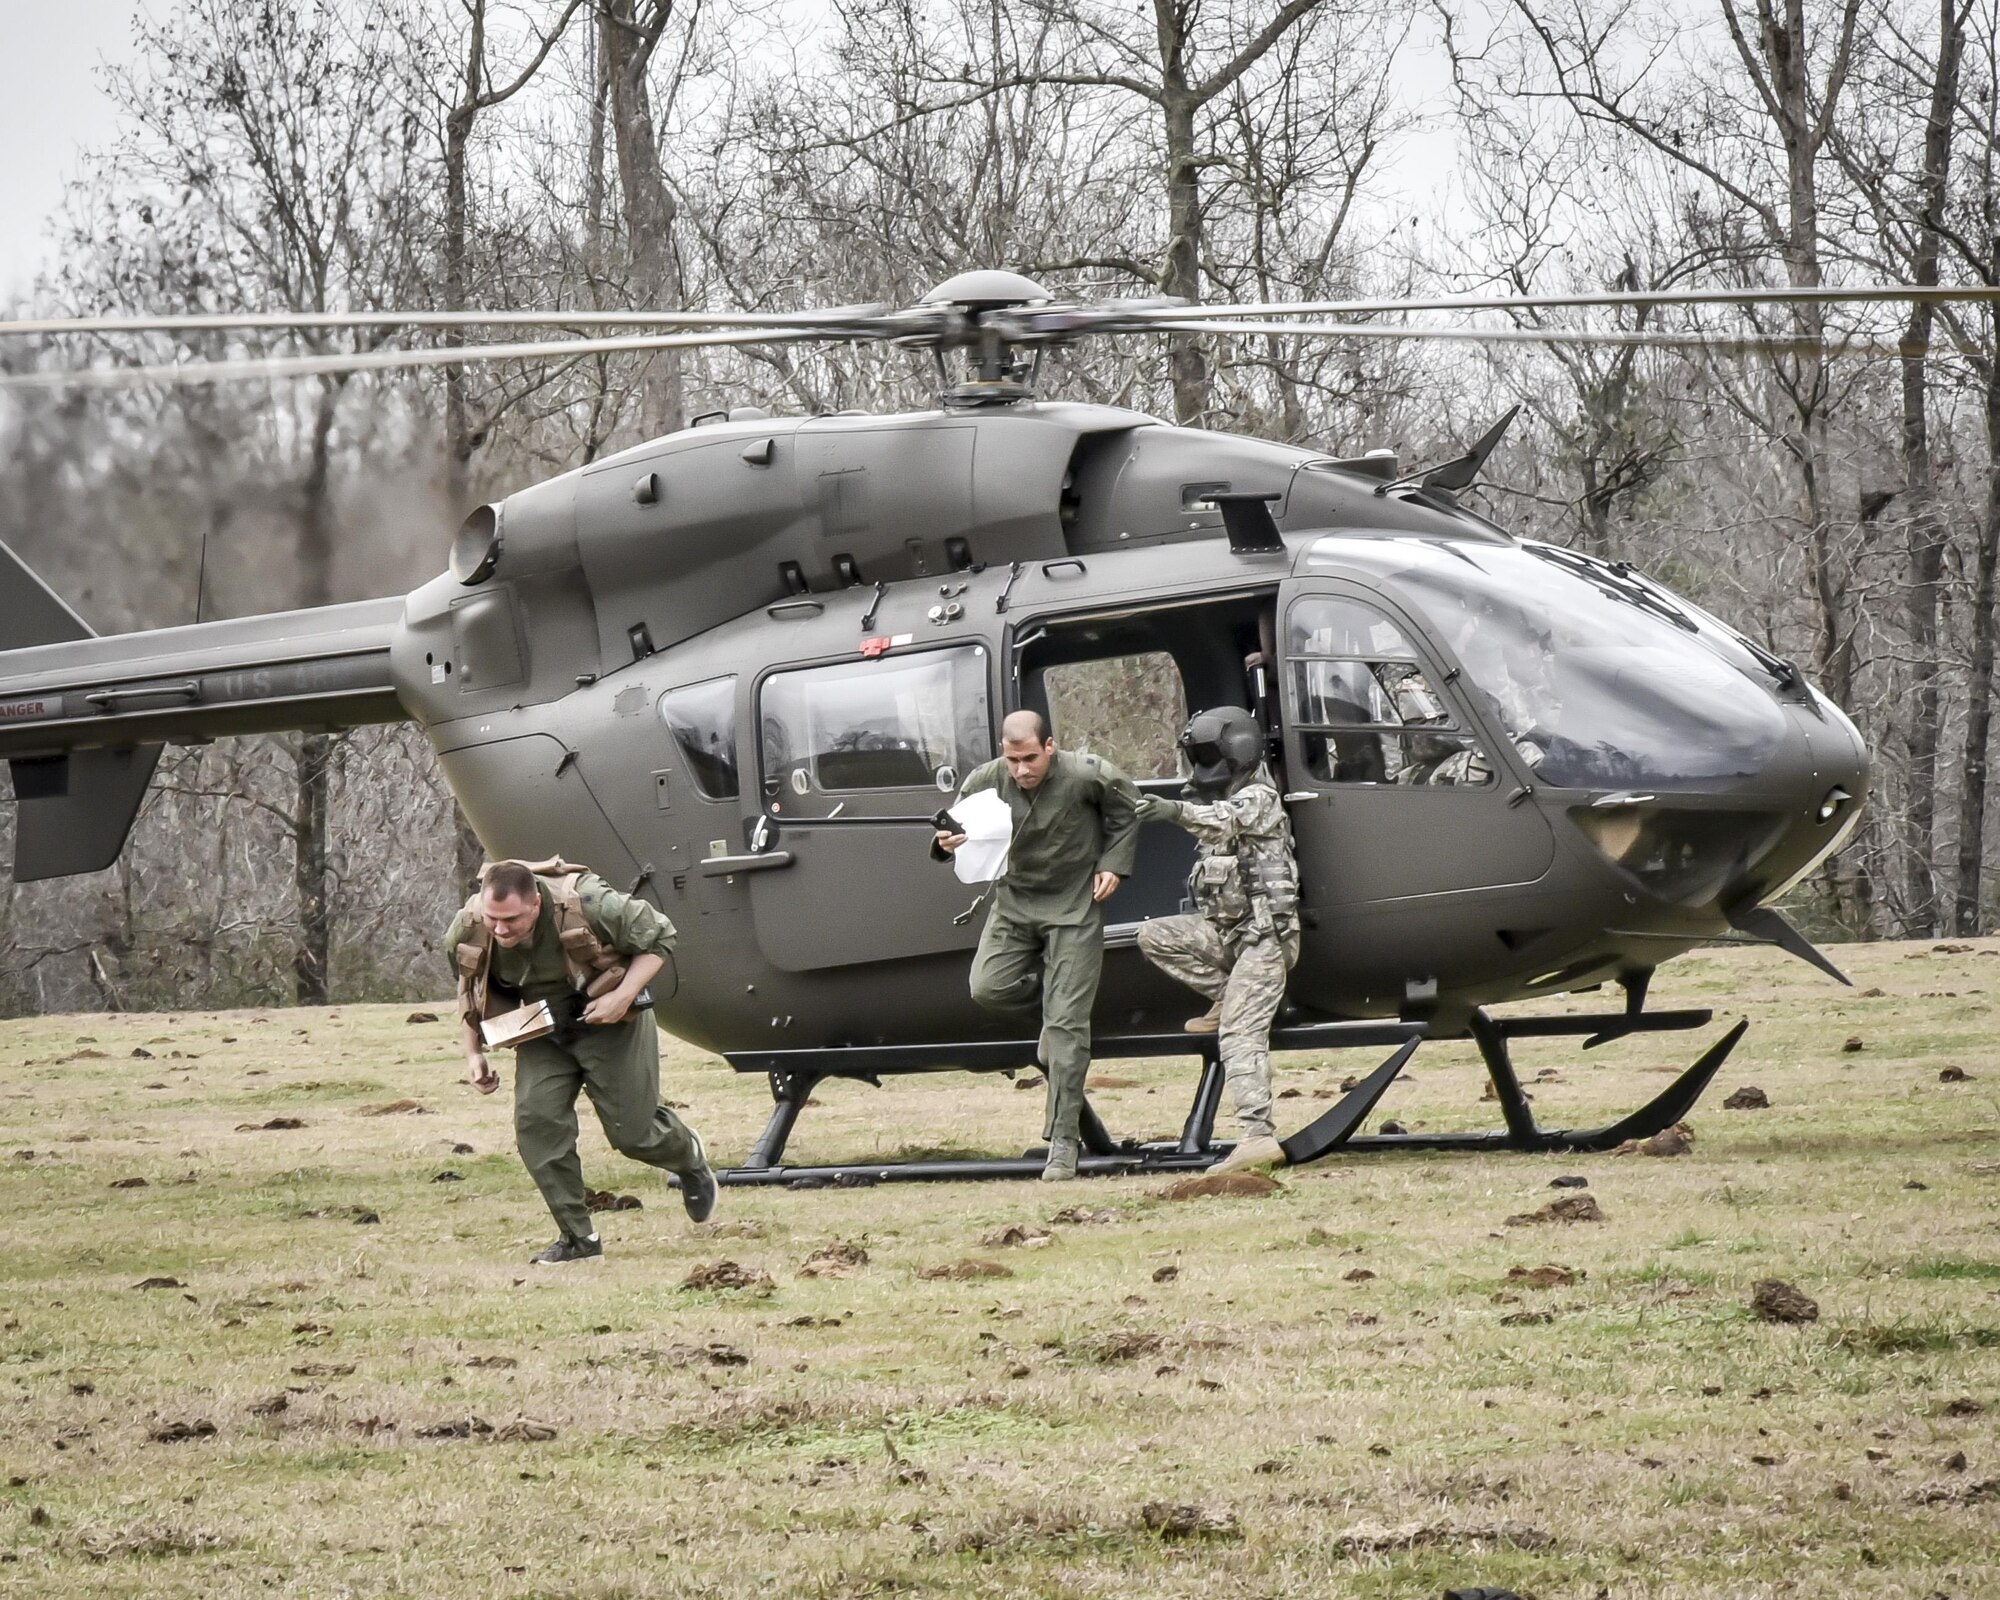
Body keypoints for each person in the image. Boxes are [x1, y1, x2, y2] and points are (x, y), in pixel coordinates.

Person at [449, 857, 717, 1263]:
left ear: (535, 904)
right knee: (537, 1124)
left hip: (609, 1016)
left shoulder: (590, 904)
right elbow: (472, 987)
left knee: (633, 1133)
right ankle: (579, 1240)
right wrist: (473, 1053)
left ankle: (688, 1157)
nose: (500, 930)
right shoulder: (469, 927)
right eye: (493, 919)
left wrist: (622, 995)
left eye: (511, 921)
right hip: (542, 1028)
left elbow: (660, 939)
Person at [932, 710, 1140, 1180]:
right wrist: (947, 843)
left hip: (1073, 906)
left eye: (1030, 758)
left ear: (1050, 746)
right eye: (1012, 760)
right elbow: (952, 830)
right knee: (987, 988)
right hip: (1014, 905)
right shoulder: (986, 779)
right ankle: (1057, 1010)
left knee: (1066, 1030)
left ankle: (1063, 1142)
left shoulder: (1088, 774)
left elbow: (1130, 809)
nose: (1021, 770)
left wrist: (1114, 862)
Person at [1134, 707, 1300, 1172]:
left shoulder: (1260, 798)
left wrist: (1174, 809)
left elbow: (1224, 820)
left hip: (1265, 940)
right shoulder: (1221, 795)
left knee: (1240, 1032)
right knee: (1153, 934)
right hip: (1229, 936)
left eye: (1207, 755)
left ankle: (1257, 1135)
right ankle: (1230, 996)